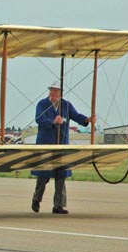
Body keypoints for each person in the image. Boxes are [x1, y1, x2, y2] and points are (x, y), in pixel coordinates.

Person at [31, 80, 95, 214]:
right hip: (45, 144)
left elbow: (76, 116)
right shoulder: (42, 104)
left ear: (60, 93)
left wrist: (87, 120)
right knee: (43, 176)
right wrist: (53, 121)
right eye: (52, 90)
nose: (53, 93)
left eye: (56, 91)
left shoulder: (66, 105)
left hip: (62, 145)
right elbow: (39, 119)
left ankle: (58, 205)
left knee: (61, 175)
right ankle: (36, 199)